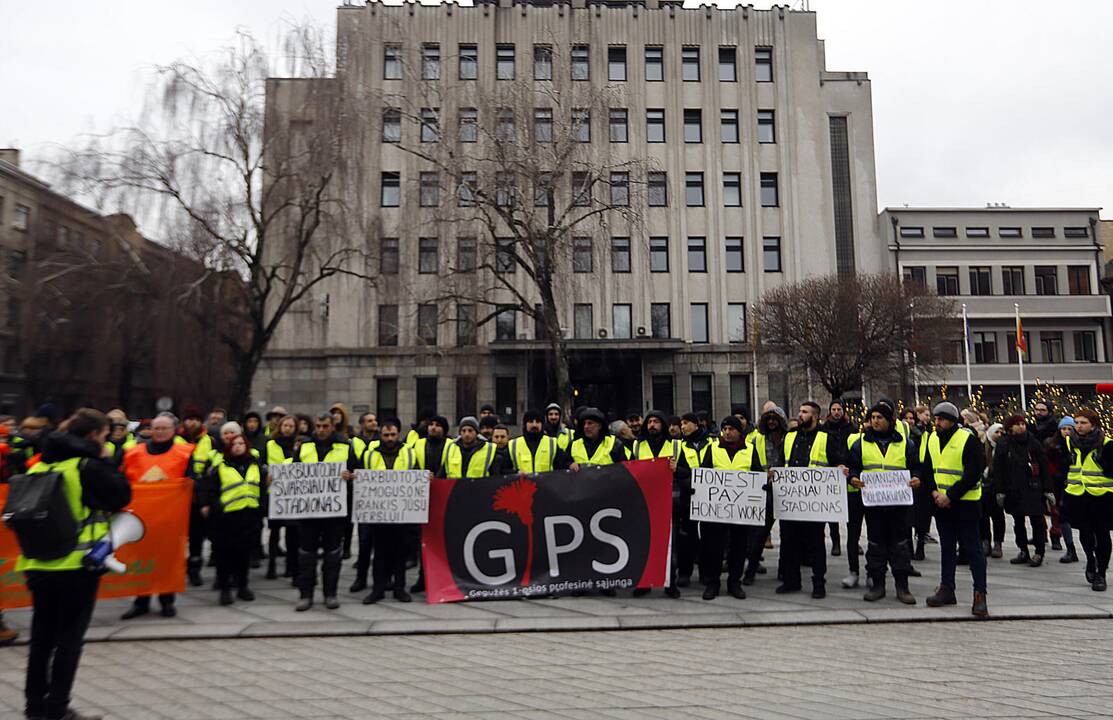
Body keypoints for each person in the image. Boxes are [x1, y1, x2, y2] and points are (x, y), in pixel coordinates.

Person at [21, 409, 131, 720]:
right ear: (93, 436)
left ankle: (34, 708)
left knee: (41, 638)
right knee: (69, 640)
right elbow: (121, 496)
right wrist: (106, 459)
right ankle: (57, 709)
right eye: (104, 435)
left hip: (38, 564)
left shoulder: (41, 463)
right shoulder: (87, 466)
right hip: (76, 566)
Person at [119, 413, 196, 620]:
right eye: (156, 428)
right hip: (141, 518)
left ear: (174, 431)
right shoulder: (133, 453)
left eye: (164, 428)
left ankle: (166, 599)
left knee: (167, 560)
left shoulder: (184, 452)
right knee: (141, 560)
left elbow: (190, 481)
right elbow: (124, 480)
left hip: (170, 517)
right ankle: (141, 600)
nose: (160, 432)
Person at [847, 402, 921, 604]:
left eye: (879, 418)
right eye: (873, 418)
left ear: (890, 421)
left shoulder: (906, 444)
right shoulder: (860, 444)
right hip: (874, 505)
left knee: (900, 546)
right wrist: (852, 478)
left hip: (898, 505)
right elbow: (853, 466)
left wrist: (916, 478)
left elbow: (916, 466)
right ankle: (878, 584)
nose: (875, 421)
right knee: (875, 545)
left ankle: (902, 586)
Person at [923, 402, 988, 617]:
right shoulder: (932, 439)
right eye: (936, 419)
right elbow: (928, 469)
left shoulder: (968, 440)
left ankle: (980, 594)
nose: (937, 423)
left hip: (966, 503)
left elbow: (973, 473)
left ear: (952, 421)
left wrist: (949, 495)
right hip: (941, 504)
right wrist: (934, 493)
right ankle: (947, 588)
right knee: (947, 547)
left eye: (941, 419)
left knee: (973, 549)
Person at [294, 413, 359, 611]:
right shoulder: (304, 446)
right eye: (319, 426)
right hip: (309, 512)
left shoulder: (345, 446)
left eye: (325, 426)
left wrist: (350, 476)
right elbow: (294, 473)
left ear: (333, 427)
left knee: (332, 554)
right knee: (306, 554)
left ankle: (330, 594)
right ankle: (306, 595)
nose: (321, 430)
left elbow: (358, 471)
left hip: (334, 512)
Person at [775, 402, 835, 599]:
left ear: (815, 416)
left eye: (804, 412)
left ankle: (819, 582)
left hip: (814, 503)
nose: (800, 415)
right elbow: (780, 461)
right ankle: (791, 580)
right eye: (800, 412)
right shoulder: (790, 437)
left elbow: (836, 462)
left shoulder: (827, 438)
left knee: (815, 543)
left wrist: (842, 469)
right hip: (791, 500)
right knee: (789, 542)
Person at [699, 416, 761, 600]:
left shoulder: (750, 450)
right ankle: (713, 583)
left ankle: (735, 582)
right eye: (724, 429)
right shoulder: (713, 449)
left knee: (739, 547)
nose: (727, 432)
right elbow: (704, 474)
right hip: (717, 510)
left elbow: (757, 474)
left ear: (739, 432)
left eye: (731, 429)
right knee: (714, 548)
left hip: (741, 511)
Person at [361, 420, 419, 604]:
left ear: (398, 434)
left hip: (401, 515)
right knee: (379, 554)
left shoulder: (409, 453)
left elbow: (416, 476)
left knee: (400, 553)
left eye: (393, 435)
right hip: (378, 514)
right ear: (381, 435)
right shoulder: (370, 455)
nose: (390, 439)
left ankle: (399, 588)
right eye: (386, 435)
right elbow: (363, 477)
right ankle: (378, 589)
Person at [202, 433, 264, 605]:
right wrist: (216, 507)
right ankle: (225, 589)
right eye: (234, 444)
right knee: (225, 556)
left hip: (248, 516)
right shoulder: (220, 466)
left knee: (243, 555)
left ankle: (243, 586)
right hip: (226, 518)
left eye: (241, 444)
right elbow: (211, 490)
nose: (237, 446)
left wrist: (261, 510)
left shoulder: (254, 465)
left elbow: (261, 487)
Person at [630, 410, 685, 599]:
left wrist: (677, 469)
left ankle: (670, 582)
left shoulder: (677, 446)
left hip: (670, 501)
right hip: (645, 501)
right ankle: (645, 582)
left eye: (656, 421)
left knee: (671, 545)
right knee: (645, 544)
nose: (652, 425)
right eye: (650, 422)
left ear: (663, 424)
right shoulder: (637, 446)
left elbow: (689, 472)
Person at [992, 415, 1052, 568]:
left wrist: (1048, 489)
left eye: (1022, 424)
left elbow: (1044, 466)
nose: (1021, 427)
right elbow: (998, 469)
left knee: (1037, 520)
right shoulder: (1003, 444)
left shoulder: (1033, 443)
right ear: (1010, 427)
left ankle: (1039, 551)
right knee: (1018, 521)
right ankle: (1023, 549)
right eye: (1017, 424)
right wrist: (1000, 490)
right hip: (1013, 489)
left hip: (1033, 487)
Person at [1064, 408, 1112, 591]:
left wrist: (1105, 464)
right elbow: (1068, 466)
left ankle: (1101, 573)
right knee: (1084, 533)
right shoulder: (1070, 442)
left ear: (1093, 424)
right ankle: (1090, 561)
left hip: (1102, 496)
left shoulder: (1107, 444)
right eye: (1076, 422)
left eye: (1083, 423)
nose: (1078, 426)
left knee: (1102, 534)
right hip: (1077, 494)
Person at [744, 405, 788, 586]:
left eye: (775, 419)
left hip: (787, 491)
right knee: (759, 535)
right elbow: (751, 464)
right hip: (764, 490)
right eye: (768, 419)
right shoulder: (758, 440)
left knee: (787, 535)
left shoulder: (790, 439)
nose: (771, 422)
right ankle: (750, 571)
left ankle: (784, 571)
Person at [179, 404, 214, 586]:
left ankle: (194, 569)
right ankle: (177, 567)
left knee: (197, 536)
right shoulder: (176, 440)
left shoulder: (209, 441)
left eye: (196, 420)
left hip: (199, 497)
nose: (192, 423)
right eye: (189, 419)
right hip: (177, 496)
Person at [265, 415, 300, 580]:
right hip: (275, 493)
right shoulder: (270, 444)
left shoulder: (299, 445)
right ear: (280, 426)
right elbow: (263, 464)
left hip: (292, 494)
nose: (288, 428)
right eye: (285, 425)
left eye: (291, 426)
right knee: (274, 531)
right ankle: (271, 566)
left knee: (292, 533)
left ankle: (290, 566)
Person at [823, 399, 854, 558]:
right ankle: (835, 541)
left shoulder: (851, 428)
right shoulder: (824, 429)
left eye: (839, 409)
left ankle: (852, 541)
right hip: (831, 471)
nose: (836, 412)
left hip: (847, 470)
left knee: (850, 510)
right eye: (833, 409)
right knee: (832, 511)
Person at [509, 409, 572, 474]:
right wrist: (516, 472)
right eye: (531, 422)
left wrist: (571, 465)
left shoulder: (552, 443)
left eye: (538, 422)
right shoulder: (513, 444)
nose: (534, 425)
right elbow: (503, 470)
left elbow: (563, 464)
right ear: (525, 424)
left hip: (546, 483)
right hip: (523, 483)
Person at [1053, 417, 1079, 563]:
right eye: (1064, 429)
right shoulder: (1053, 445)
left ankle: (1094, 549)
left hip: (1079, 485)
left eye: (1070, 429)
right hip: (1061, 485)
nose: (1067, 432)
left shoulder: (1079, 444)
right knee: (1063, 517)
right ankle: (1070, 548)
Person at [980, 423, 1007, 559]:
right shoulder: (983, 446)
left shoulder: (1004, 448)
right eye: (997, 432)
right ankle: (985, 541)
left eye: (1002, 432)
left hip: (997, 486)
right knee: (983, 516)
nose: (1000, 435)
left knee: (998, 516)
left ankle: (998, 543)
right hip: (983, 486)